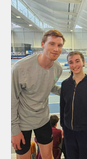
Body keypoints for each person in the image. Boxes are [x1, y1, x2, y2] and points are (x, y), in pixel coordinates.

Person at [11, 30, 65, 159]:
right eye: (52, 44)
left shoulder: (58, 68)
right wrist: (14, 131)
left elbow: (48, 85)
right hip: (22, 122)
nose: (56, 49)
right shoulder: (20, 68)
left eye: (59, 45)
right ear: (42, 44)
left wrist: (67, 91)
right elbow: (11, 100)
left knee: (48, 156)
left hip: (42, 119)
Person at [60, 51, 87, 159]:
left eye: (77, 61)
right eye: (71, 62)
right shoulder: (65, 84)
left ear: (83, 62)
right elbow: (62, 107)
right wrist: (64, 127)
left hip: (85, 132)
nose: (74, 65)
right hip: (69, 132)